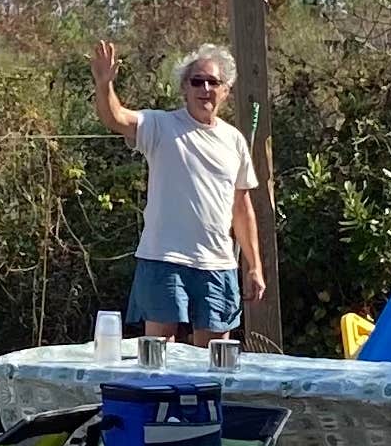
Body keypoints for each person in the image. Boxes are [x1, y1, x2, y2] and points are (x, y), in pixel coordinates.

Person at [91, 38, 264, 343]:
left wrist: (254, 266)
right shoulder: (160, 126)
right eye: (197, 81)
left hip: (218, 264)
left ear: (226, 90)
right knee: (160, 358)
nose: (205, 89)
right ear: (184, 87)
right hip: (163, 259)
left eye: (213, 82)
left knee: (215, 362)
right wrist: (105, 85)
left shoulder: (234, 140)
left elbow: (242, 208)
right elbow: (115, 117)